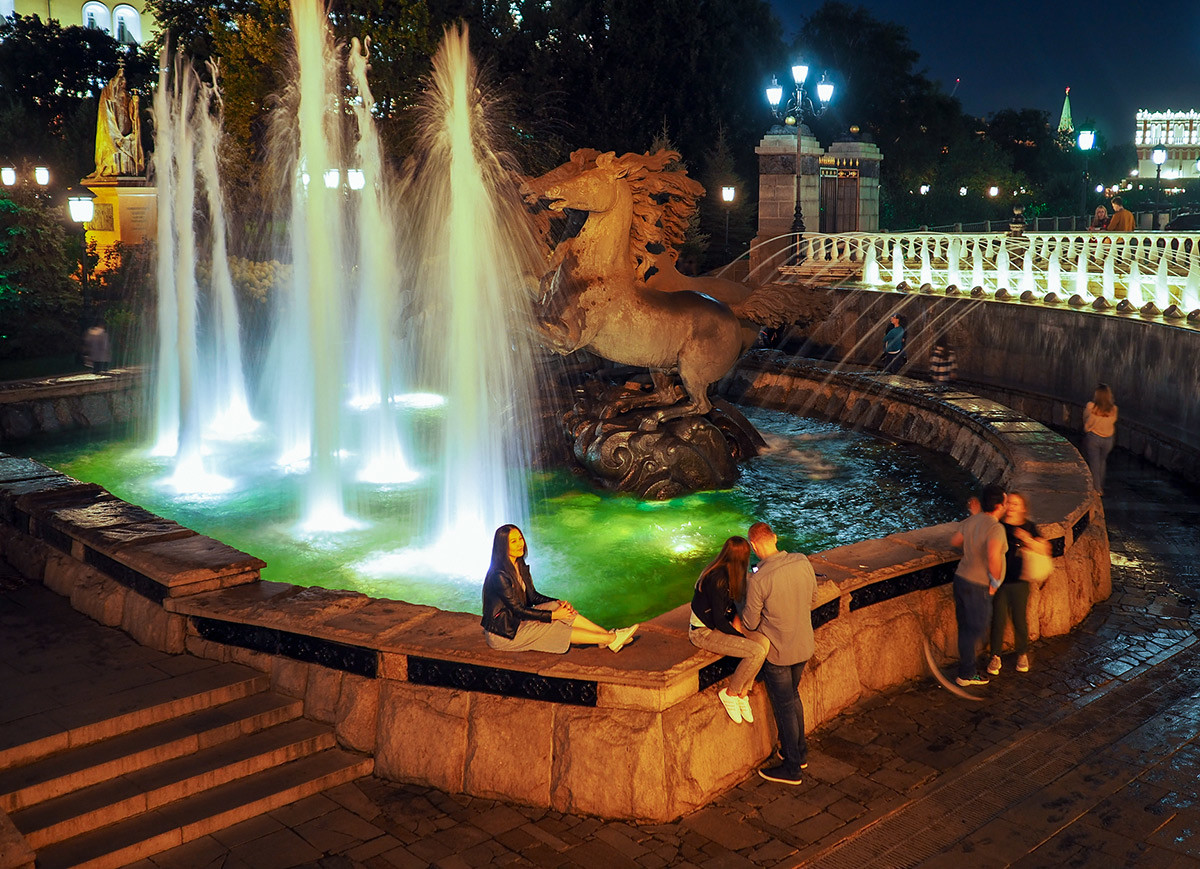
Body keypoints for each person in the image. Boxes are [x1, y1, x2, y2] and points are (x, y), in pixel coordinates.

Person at [481, 525, 637, 653]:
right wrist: (554, 615)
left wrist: (558, 603)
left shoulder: (519, 565)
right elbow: (518, 610)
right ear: (503, 546)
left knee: (559, 608)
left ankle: (607, 634)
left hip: (517, 622)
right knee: (555, 627)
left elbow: (533, 597)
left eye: (520, 538)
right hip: (505, 634)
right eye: (513, 541)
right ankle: (610, 639)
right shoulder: (499, 575)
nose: (520, 543)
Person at [742, 521, 817, 785]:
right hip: (804, 645)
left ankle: (792, 768)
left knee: (784, 707)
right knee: (793, 698)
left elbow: (750, 623)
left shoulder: (759, 579)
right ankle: (799, 752)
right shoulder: (802, 561)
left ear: (753, 545)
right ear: (775, 538)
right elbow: (813, 598)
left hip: (778, 651)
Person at [689, 536, 770, 724]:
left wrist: (736, 620)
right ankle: (730, 693)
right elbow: (717, 620)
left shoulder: (732, 573)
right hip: (703, 632)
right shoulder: (717, 578)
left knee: (764, 642)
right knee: (755, 651)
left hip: (723, 624)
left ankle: (742, 694)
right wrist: (741, 636)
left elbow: (729, 605)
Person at [949, 484, 1008, 687]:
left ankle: (966, 671)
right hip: (978, 585)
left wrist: (973, 520)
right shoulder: (996, 528)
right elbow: (993, 556)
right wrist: (995, 582)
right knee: (977, 628)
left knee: (965, 627)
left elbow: (955, 541)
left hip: (960, 579)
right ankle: (966, 673)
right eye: (1006, 502)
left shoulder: (973, 520)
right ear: (1000, 505)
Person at [987, 492, 1048, 676]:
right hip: (1000, 582)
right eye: (1010, 503)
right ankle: (995, 656)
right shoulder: (999, 526)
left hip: (1020, 582)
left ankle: (1022, 653)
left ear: (1023, 508)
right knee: (998, 619)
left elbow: (1045, 548)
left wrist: (1026, 538)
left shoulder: (1029, 527)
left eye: (1016, 504)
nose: (1012, 507)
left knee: (1020, 619)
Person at [1083, 383, 1118, 495]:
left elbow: (1087, 421)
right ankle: (1100, 486)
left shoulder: (1091, 407)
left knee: (1094, 462)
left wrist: (1087, 428)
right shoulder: (1113, 409)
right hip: (1108, 439)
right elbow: (1113, 422)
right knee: (1102, 461)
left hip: (1094, 437)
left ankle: (1097, 489)